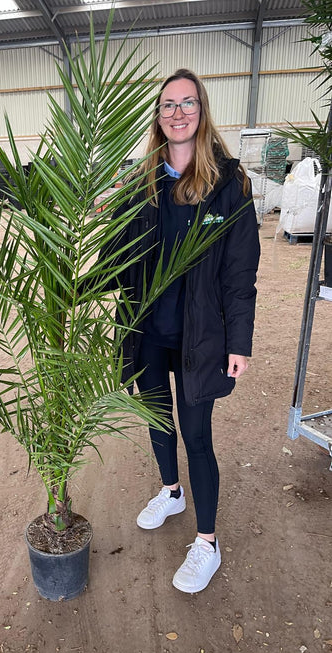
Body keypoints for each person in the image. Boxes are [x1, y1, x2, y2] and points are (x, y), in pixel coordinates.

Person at [109, 68, 260, 593]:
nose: (178, 113)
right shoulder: (141, 182)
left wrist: (239, 341)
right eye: (168, 105)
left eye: (187, 103)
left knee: (197, 436)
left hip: (201, 337)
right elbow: (117, 260)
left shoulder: (229, 185)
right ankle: (171, 491)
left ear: (202, 111)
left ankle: (208, 542)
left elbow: (241, 272)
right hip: (149, 330)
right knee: (156, 420)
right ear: (158, 115)